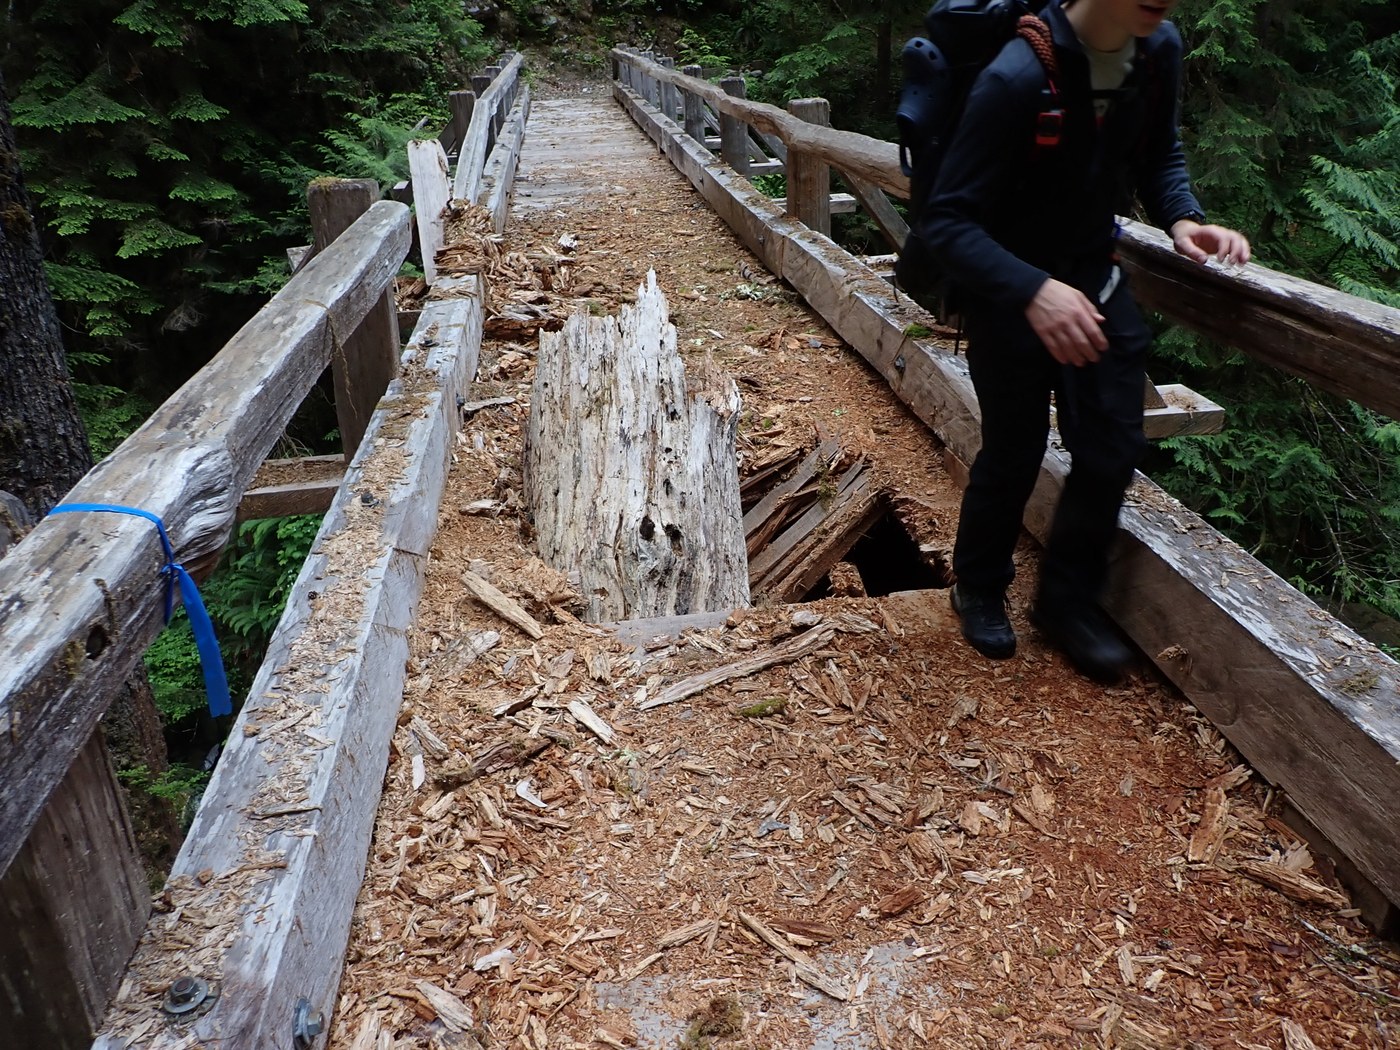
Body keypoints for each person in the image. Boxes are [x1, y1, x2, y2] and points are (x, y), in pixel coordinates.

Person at [922, 0, 1250, 683]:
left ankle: (1067, 604)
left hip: (1096, 283)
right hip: (1010, 295)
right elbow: (947, 222)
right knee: (1014, 450)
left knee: (1110, 446)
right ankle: (978, 585)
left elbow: (1160, 149)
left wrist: (1184, 217)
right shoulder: (1015, 78)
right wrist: (1033, 290)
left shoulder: (1155, 50)